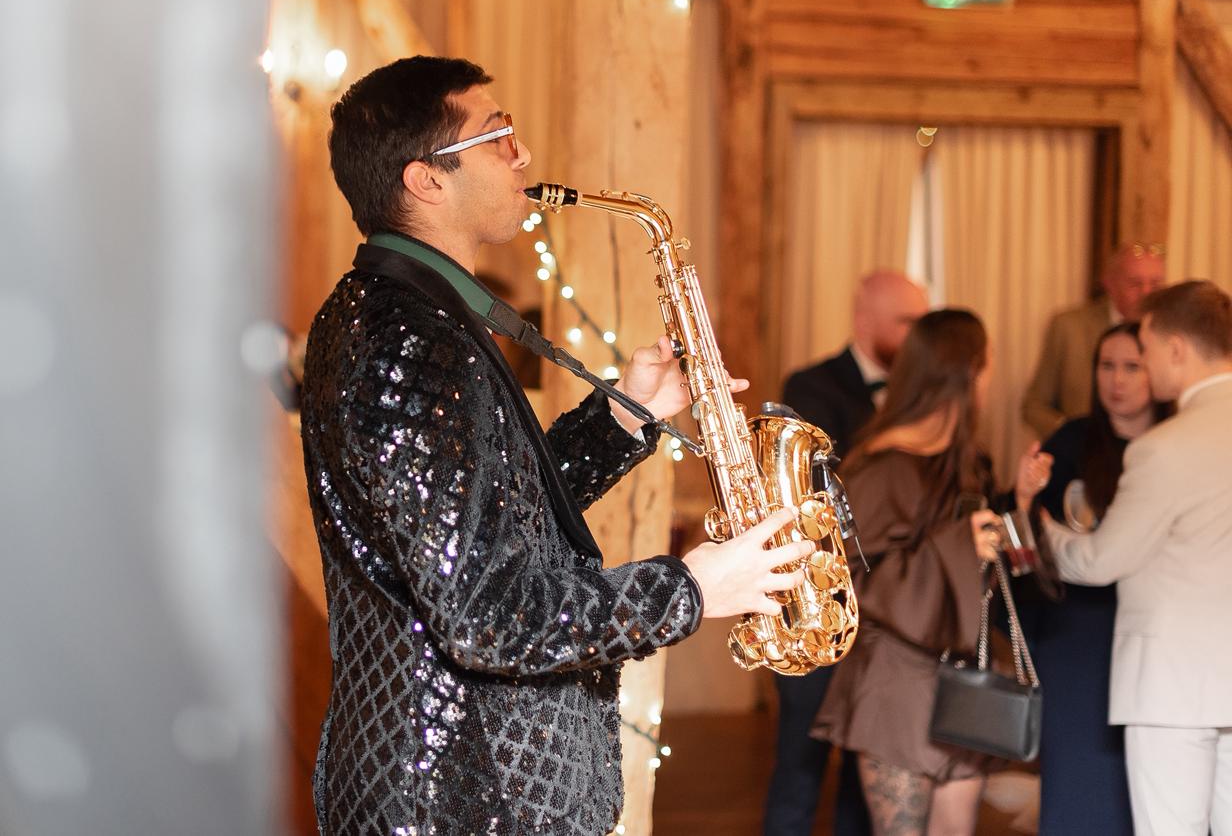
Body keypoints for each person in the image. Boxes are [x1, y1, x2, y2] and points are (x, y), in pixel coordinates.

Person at [299, 56, 813, 835]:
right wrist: (692, 591)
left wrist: (622, 418)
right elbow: (488, 614)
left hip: (468, 785)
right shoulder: (407, 339)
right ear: (425, 180)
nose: (522, 155)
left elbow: (487, 523)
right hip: (461, 796)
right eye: (496, 134)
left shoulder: (406, 316)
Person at [811, 309, 1033, 836]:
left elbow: (976, 558)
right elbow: (853, 580)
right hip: (897, 680)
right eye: (987, 363)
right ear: (966, 371)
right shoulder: (884, 465)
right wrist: (960, 545)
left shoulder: (967, 460)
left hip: (960, 676)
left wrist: (1015, 505)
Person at [1037, 281, 1232, 836]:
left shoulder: (1165, 447)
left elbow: (1100, 561)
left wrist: (1043, 533)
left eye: (1144, 350)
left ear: (1176, 349)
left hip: (1172, 684)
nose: (1140, 364)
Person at [763, 269, 928, 836]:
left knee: (867, 775)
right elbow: (820, 489)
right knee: (799, 763)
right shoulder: (812, 386)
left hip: (885, 618)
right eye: (906, 320)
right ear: (865, 321)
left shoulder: (920, 395)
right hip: (817, 600)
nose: (916, 334)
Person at [1013, 323, 1171, 834]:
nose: (1117, 381)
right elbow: (1024, 544)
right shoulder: (1071, 440)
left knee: (1152, 784)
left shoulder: (1176, 445)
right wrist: (1021, 499)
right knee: (1076, 779)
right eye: (1107, 366)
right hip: (1076, 633)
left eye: (1132, 366)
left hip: (1158, 630)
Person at [1022, 244, 1166, 439]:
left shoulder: (1173, 334)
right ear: (1109, 283)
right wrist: (1073, 435)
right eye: (1135, 283)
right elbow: (1034, 405)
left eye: (1155, 284)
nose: (1146, 293)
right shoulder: (1069, 327)